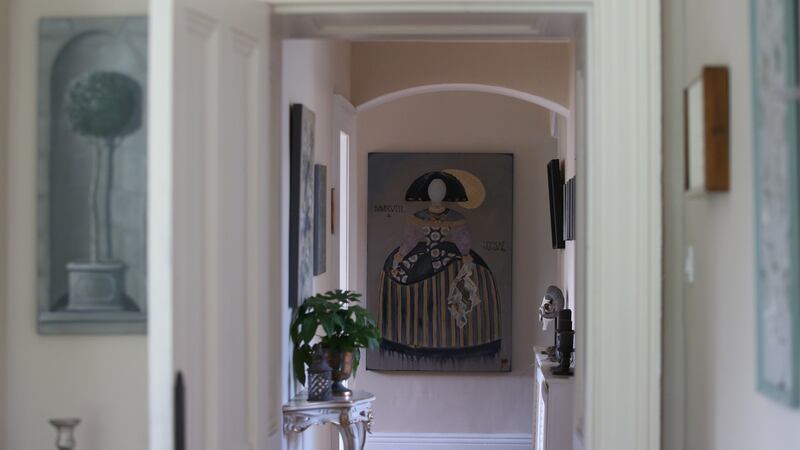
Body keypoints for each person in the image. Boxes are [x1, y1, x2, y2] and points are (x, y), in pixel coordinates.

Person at [378, 171, 501, 359]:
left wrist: (465, 256)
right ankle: (416, 335)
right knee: (406, 279)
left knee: (466, 279)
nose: (437, 193)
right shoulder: (417, 216)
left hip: (449, 253)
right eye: (434, 190)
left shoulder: (456, 217)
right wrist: (400, 257)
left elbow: (462, 241)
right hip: (422, 254)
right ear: (428, 193)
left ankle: (457, 338)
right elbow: (409, 241)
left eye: (441, 190)